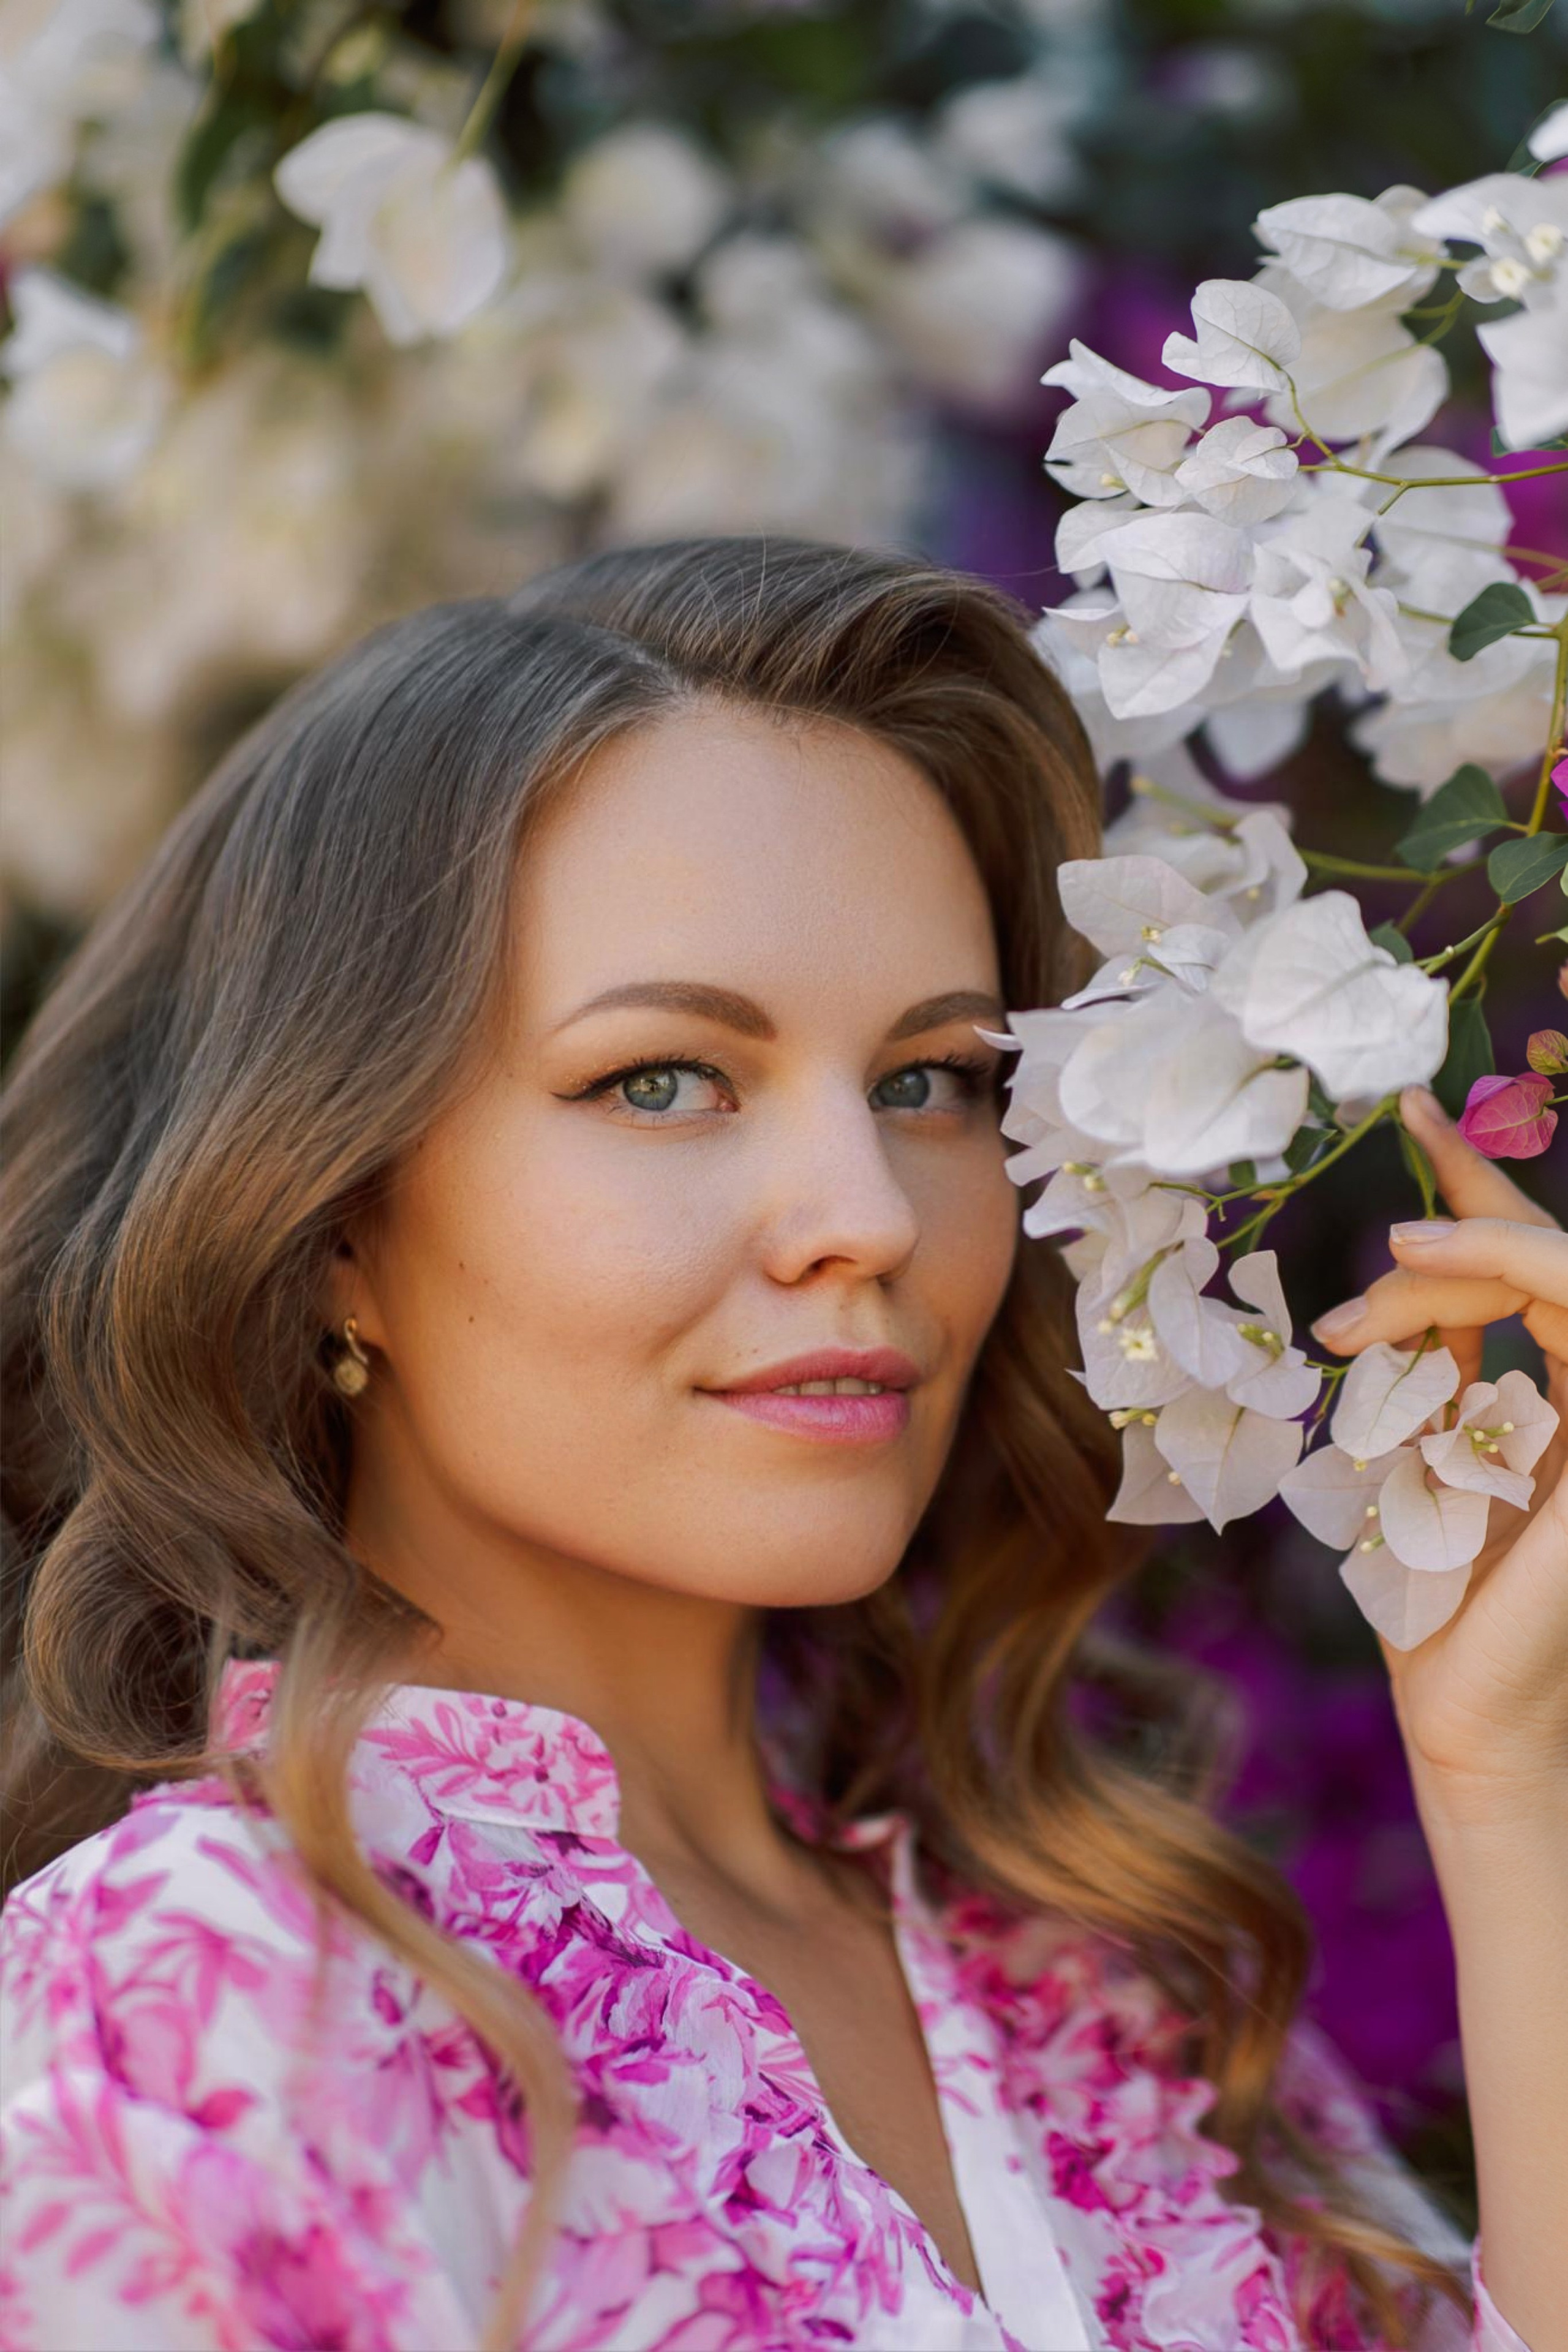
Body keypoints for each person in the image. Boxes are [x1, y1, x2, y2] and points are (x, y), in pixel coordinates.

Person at [0, 537, 1561, 2352]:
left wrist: (1509, 1783)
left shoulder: (1104, 1988)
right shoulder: (202, 1992)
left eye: (931, 1082)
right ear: (336, 1214)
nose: (870, 1215)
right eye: (664, 1081)